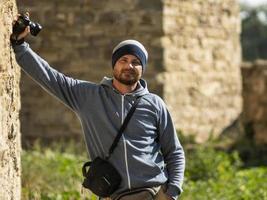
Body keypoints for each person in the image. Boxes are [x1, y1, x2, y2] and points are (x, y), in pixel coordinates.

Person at [11, 14, 185, 200]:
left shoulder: (155, 103)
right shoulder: (88, 96)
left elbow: (174, 152)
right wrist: (20, 47)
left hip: (154, 193)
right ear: (114, 65)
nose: (129, 66)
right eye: (123, 60)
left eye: (136, 62)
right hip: (114, 196)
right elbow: (49, 77)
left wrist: (171, 192)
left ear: (142, 68)